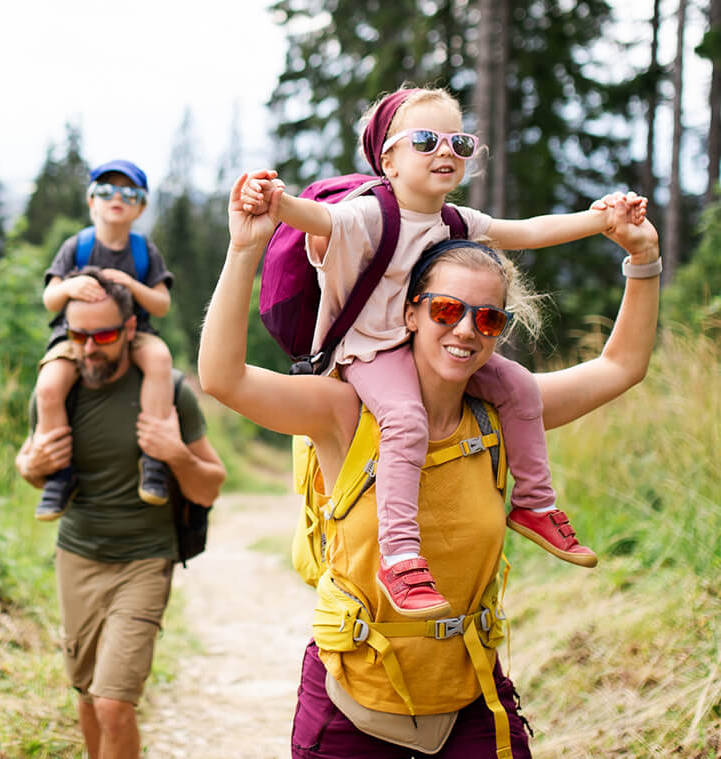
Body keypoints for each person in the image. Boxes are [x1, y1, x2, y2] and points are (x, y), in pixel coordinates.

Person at [200, 171, 659, 758]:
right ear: (410, 314)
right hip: (350, 705)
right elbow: (222, 378)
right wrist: (244, 248)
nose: (466, 330)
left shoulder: (503, 417)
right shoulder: (346, 411)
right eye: (446, 309)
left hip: (471, 700)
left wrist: (642, 258)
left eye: (489, 319)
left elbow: (621, 367)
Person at [239, 87, 649, 618]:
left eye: (460, 141)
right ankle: (401, 556)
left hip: (419, 345)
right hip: (369, 354)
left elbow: (523, 234)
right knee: (405, 419)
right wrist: (272, 202)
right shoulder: (369, 214)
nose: (446, 151)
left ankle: (533, 505)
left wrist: (602, 221)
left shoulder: (453, 222)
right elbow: (317, 220)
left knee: (520, 386)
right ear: (388, 158)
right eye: (427, 140)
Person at [15, 267, 226, 759]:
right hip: (78, 557)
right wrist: (30, 465)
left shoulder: (170, 393)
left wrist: (175, 453)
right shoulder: (57, 391)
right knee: (88, 695)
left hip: (144, 561)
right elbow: (34, 470)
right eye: (78, 335)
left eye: (104, 335)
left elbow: (210, 487)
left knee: (113, 703)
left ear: (130, 331)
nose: (90, 348)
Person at [34, 159, 180, 520]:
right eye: (106, 191)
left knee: (160, 361)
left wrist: (131, 285)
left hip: (134, 332)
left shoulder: (144, 251)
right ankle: (59, 473)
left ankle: (154, 460)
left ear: (141, 207)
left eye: (129, 193)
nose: (117, 198)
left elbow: (161, 304)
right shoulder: (77, 247)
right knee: (50, 386)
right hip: (77, 335)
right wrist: (68, 286)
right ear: (91, 202)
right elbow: (50, 299)